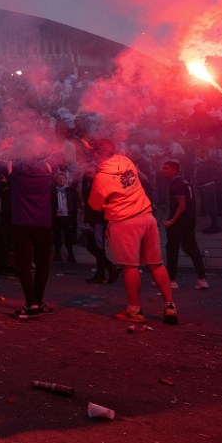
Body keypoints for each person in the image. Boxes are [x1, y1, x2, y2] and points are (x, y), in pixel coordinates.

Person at [88, 139, 178, 325]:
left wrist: (100, 192)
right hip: (146, 216)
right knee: (156, 264)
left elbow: (95, 205)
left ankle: (134, 310)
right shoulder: (125, 161)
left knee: (130, 267)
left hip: (124, 222)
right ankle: (170, 306)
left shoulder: (101, 178)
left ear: (97, 154)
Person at [0, 136, 64, 320]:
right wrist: (45, 142)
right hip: (44, 224)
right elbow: (60, 153)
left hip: (22, 223)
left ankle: (31, 303)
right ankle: (38, 301)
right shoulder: (46, 167)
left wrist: (2, 145)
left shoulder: (13, 168)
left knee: (24, 264)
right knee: (43, 264)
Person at [159, 160, 209, 290]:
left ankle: (171, 280)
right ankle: (201, 279)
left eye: (166, 168)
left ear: (174, 170)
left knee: (172, 249)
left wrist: (171, 221)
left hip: (179, 221)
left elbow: (182, 204)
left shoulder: (176, 184)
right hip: (189, 220)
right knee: (192, 248)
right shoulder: (186, 183)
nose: (163, 170)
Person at [51, 172, 79, 263]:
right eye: (59, 178)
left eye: (63, 178)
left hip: (67, 216)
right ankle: (57, 254)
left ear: (66, 180)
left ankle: (70, 254)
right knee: (57, 236)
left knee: (68, 236)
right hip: (57, 216)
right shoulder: (53, 191)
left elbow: (74, 204)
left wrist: (73, 215)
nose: (61, 180)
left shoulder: (70, 191)